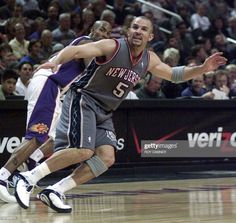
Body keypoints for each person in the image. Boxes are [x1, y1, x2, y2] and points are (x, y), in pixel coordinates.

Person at [14, 16, 227, 213]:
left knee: (106, 158)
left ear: (150, 36)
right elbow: (78, 51)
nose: (138, 31)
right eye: (135, 27)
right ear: (128, 30)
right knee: (82, 151)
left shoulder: (149, 59)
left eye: (144, 29)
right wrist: (57, 61)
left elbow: (173, 75)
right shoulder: (113, 46)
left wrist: (202, 68)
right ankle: (27, 178)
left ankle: (55, 190)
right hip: (83, 99)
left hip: (105, 111)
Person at [0, 20, 112, 203]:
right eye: (101, 29)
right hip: (50, 84)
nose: (104, 34)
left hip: (55, 89)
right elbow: (93, 66)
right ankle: (3, 176)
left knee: (58, 137)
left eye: (108, 33)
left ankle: (31, 161)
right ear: (92, 29)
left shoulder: (80, 44)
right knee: (37, 136)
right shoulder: (87, 44)